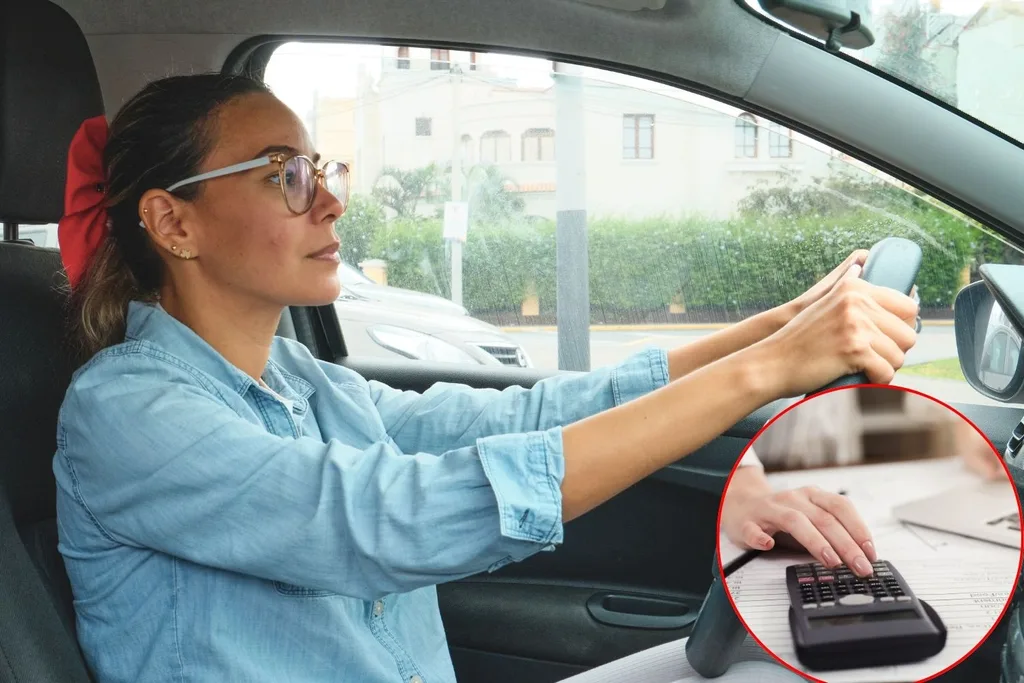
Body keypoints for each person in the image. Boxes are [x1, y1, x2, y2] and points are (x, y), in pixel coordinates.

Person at [53, 73, 919, 683]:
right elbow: (386, 519)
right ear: (173, 221)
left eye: (323, 170)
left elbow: (515, 419)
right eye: (287, 175)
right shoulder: (126, 412)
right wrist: (769, 369)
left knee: (800, 666)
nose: (329, 200)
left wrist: (767, 331)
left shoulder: (302, 380)